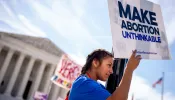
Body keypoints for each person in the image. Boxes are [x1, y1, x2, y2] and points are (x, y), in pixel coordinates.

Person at [69, 49, 141, 100]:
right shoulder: (84, 83)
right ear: (95, 63)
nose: (111, 71)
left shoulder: (94, 85)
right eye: (109, 65)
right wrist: (129, 69)